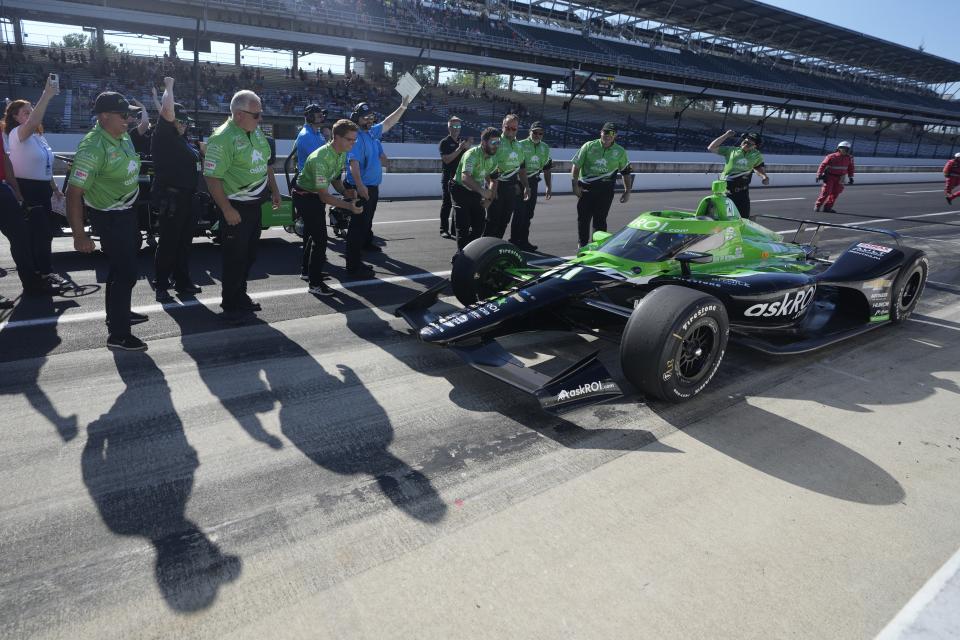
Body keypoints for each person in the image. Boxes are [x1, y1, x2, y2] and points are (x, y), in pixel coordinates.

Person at [66, 92, 148, 351]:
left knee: (120, 270)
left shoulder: (122, 136)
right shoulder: (93, 147)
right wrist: (80, 235)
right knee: (126, 272)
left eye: (131, 114)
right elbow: (73, 193)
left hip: (126, 212)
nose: (130, 119)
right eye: (124, 115)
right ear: (104, 117)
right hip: (109, 216)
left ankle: (118, 314)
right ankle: (119, 334)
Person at [203, 90, 281, 321]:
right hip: (235, 206)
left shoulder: (255, 132)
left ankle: (241, 294)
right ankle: (231, 301)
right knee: (234, 257)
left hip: (255, 205)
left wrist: (275, 190)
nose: (261, 119)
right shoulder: (222, 138)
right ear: (239, 115)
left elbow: (266, 165)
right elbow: (212, 178)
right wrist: (227, 209)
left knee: (249, 255)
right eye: (256, 115)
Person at [4, 75, 65, 289]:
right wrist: (46, 96)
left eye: (31, 111)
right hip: (26, 188)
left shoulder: (38, 137)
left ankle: (43, 273)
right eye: (25, 112)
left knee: (45, 234)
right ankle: (42, 274)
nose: (29, 115)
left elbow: (45, 167)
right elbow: (33, 122)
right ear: (15, 116)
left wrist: (55, 189)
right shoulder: (16, 133)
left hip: (42, 189)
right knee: (38, 235)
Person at [343, 97, 411, 275]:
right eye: (365, 117)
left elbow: (389, 122)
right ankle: (353, 264)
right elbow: (353, 164)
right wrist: (360, 186)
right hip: (362, 188)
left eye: (371, 116)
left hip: (371, 187)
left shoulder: (372, 133)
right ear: (356, 118)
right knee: (357, 227)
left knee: (365, 223)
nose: (369, 119)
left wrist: (402, 106)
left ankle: (362, 250)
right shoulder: (356, 137)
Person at [296, 118, 363, 295]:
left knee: (313, 235)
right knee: (320, 239)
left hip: (314, 195)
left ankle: (307, 272)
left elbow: (334, 179)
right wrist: (348, 206)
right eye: (350, 139)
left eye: (355, 139)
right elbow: (324, 196)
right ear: (336, 138)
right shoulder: (321, 158)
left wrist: (345, 193)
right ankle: (315, 284)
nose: (353, 143)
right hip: (305, 196)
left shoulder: (341, 152)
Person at [150, 76, 201, 303]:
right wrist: (169, 86)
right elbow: (167, 111)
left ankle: (183, 281)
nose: (184, 125)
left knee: (184, 243)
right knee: (169, 243)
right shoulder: (164, 136)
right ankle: (161, 284)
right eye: (180, 122)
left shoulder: (184, 140)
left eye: (185, 122)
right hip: (171, 198)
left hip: (188, 199)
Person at [571, 122, 633, 247]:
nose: (608, 135)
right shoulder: (589, 146)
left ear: (615, 135)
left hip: (606, 191)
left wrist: (627, 191)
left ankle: (598, 246)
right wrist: (575, 186)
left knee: (600, 220)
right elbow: (576, 166)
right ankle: (582, 245)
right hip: (586, 189)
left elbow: (626, 173)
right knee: (583, 219)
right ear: (601, 132)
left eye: (612, 133)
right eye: (606, 132)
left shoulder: (620, 151)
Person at [450, 127, 502, 251]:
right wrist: (483, 192)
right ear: (483, 143)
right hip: (460, 189)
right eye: (493, 143)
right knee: (463, 226)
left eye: (498, 142)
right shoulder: (471, 154)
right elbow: (465, 178)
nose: (496, 146)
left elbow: (494, 180)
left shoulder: (494, 158)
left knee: (479, 227)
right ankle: (461, 257)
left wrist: (489, 199)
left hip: (475, 190)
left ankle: (469, 252)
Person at [294, 104, 327, 281]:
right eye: (317, 114)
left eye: (321, 113)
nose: (321, 116)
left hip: (313, 184)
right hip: (309, 187)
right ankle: (308, 271)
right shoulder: (307, 136)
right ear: (309, 117)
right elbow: (319, 159)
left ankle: (309, 269)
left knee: (313, 232)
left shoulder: (316, 134)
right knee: (314, 233)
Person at [484, 113, 529, 240]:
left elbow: (522, 168)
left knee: (504, 221)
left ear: (517, 129)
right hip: (495, 186)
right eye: (507, 127)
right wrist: (491, 188)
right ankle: (483, 252)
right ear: (502, 126)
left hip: (510, 189)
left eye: (513, 129)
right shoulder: (495, 141)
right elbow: (485, 166)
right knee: (492, 221)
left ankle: (496, 249)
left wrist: (526, 186)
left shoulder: (519, 146)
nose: (510, 131)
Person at [707, 130, 769, 219]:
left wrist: (764, 176)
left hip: (743, 193)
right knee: (726, 218)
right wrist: (726, 135)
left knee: (744, 219)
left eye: (749, 143)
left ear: (755, 146)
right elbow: (711, 148)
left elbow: (758, 168)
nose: (746, 143)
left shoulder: (757, 155)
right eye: (745, 141)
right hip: (726, 191)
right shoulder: (731, 151)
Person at [513, 121, 552, 251]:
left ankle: (524, 241)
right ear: (530, 131)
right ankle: (514, 241)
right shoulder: (520, 144)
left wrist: (548, 186)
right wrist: (516, 183)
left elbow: (547, 169)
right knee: (519, 213)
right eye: (535, 132)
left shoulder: (545, 147)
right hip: (519, 182)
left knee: (529, 214)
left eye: (540, 133)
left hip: (533, 182)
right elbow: (514, 166)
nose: (537, 135)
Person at [438, 115, 469, 238]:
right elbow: (447, 160)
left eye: (458, 126)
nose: (457, 128)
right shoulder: (444, 142)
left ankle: (455, 230)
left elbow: (468, 158)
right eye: (454, 126)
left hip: (460, 179)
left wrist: (467, 149)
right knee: (447, 204)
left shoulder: (462, 142)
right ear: (449, 128)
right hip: (448, 177)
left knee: (458, 205)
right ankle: (443, 229)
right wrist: (459, 149)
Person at [815, 141, 855, 213]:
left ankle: (828, 208)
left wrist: (851, 177)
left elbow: (851, 168)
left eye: (846, 149)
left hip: (841, 178)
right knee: (826, 192)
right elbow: (823, 165)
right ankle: (818, 206)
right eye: (843, 148)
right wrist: (819, 175)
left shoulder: (850, 158)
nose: (845, 150)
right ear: (839, 148)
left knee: (836, 193)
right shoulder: (831, 156)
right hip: (830, 176)